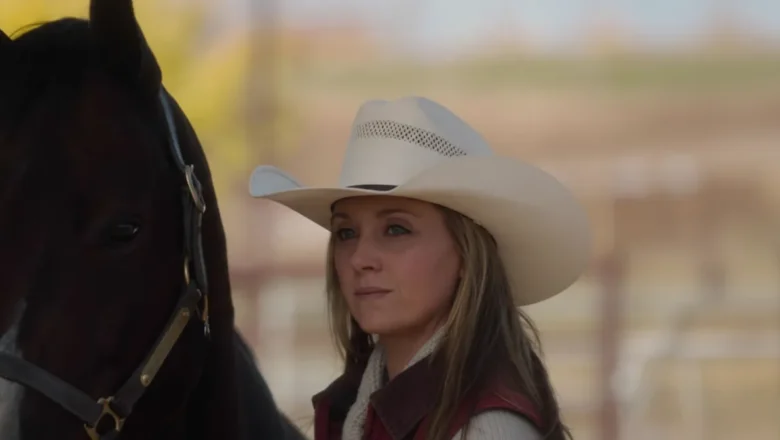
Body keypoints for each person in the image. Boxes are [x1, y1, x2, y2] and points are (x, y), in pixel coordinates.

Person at [248, 96, 590, 440]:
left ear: (465, 256)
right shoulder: (356, 407)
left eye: (396, 229)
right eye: (346, 233)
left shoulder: (487, 429)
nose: (359, 258)